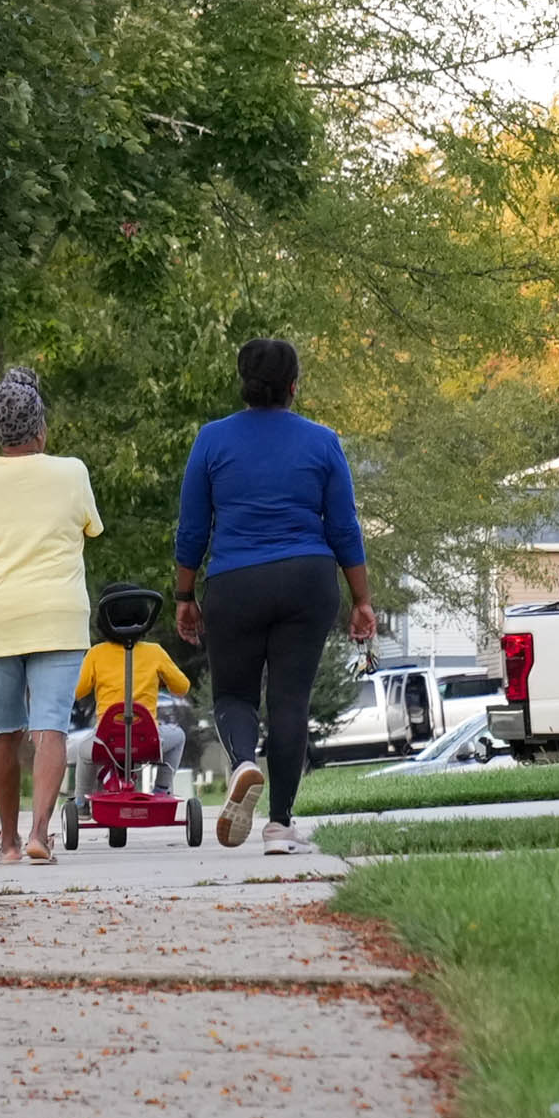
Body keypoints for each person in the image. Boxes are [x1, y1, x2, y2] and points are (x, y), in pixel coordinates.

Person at [170, 334, 374, 853]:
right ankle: (280, 826)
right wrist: (362, 599)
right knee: (290, 701)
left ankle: (242, 763)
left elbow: (193, 528)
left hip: (236, 581)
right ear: (293, 386)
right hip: (307, 578)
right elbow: (344, 528)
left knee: (235, 696)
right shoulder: (323, 441)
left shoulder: (211, 440)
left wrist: (184, 595)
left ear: (244, 385)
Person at [0, 365, 97, 864]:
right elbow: (90, 528)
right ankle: (40, 835)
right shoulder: (71, 471)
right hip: (56, 612)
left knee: (2, 731)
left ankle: (8, 843)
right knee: (49, 726)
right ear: (41, 428)